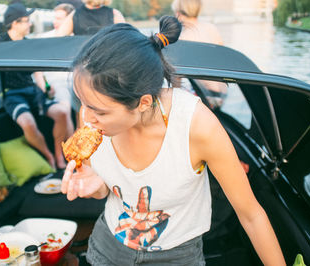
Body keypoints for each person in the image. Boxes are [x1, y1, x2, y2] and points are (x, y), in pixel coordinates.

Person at [61, 16, 286, 265]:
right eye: (82, 101)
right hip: (108, 249)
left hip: (177, 257)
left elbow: (251, 215)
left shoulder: (197, 126)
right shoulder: (91, 117)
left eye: (99, 111)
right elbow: (109, 189)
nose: (86, 116)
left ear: (143, 102)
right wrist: (96, 187)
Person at [0, 2, 74, 169]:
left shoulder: (28, 43)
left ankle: (60, 156)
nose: (30, 24)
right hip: (12, 94)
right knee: (29, 123)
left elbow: (37, 72)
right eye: (26, 20)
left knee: (62, 112)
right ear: (15, 23)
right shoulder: (0, 43)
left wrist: (46, 88)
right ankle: (49, 157)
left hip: (32, 91)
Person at [172, 0, 227, 109]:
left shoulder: (182, 37)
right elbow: (222, 58)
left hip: (204, 96)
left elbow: (176, 77)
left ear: (178, 13)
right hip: (221, 93)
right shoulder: (211, 28)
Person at [56, 0, 125, 36]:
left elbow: (60, 36)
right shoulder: (114, 13)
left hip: (86, 58)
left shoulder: (75, 14)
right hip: (88, 58)